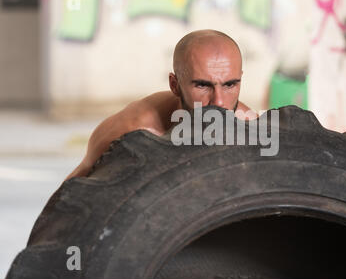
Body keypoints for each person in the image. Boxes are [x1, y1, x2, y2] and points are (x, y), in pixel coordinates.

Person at [65, 29, 257, 180]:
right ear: (174, 85)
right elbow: (69, 204)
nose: (219, 102)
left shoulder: (251, 129)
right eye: (202, 85)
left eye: (230, 84)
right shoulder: (130, 131)